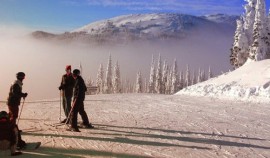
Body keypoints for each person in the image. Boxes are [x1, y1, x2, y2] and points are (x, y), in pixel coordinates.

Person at [7, 72, 27, 149]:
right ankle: (13, 132)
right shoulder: (16, 83)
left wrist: (22, 94)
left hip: (12, 102)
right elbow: (15, 93)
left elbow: (16, 92)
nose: (23, 78)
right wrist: (22, 95)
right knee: (13, 117)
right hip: (13, 103)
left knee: (12, 116)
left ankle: (11, 129)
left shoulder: (17, 83)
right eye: (23, 77)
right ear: (21, 77)